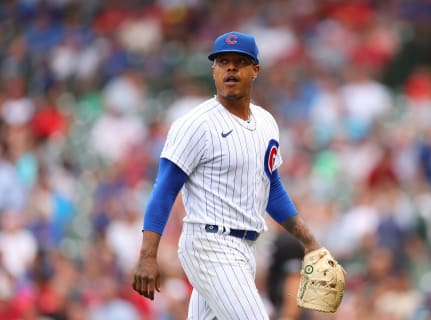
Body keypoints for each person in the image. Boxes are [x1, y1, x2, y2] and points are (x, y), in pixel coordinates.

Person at [131, 31, 321, 320]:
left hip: (244, 249)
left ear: (255, 70)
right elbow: (165, 189)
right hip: (209, 244)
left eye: (240, 61)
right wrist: (147, 255)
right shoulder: (196, 124)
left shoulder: (267, 123)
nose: (230, 68)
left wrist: (310, 241)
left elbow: (272, 189)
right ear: (214, 70)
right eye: (223, 61)